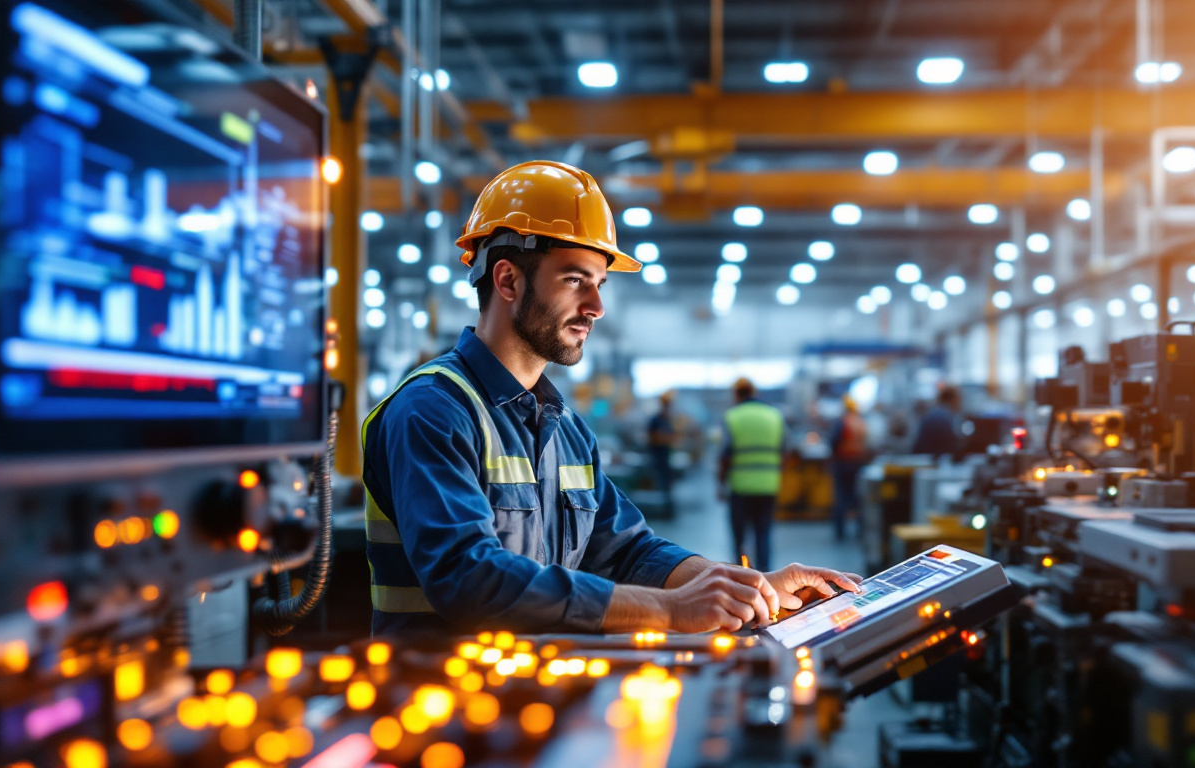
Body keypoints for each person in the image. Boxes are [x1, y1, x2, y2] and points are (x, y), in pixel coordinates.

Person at [362, 160, 859, 637]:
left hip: (536, 697)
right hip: (438, 703)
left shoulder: (566, 430)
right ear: (508, 280)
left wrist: (744, 587)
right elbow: (470, 579)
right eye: (575, 280)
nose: (597, 307)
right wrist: (668, 610)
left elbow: (629, 551)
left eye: (599, 284)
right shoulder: (433, 410)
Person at [718, 378, 787, 572]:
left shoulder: (732, 416)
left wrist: (721, 484)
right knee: (763, 533)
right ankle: (766, 576)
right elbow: (785, 450)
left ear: (737, 394)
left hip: (740, 486)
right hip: (768, 485)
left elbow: (725, 455)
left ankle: (741, 576)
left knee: (740, 537)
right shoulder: (774, 415)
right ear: (754, 392)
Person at [829, 394, 870, 540]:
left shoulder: (842, 422)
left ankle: (840, 532)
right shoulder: (861, 422)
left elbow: (834, 441)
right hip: (858, 463)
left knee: (841, 498)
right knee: (858, 498)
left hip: (842, 463)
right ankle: (860, 531)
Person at [646, 391, 677, 516]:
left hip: (666, 457)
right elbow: (652, 438)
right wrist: (664, 439)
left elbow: (674, 437)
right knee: (658, 483)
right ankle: (659, 510)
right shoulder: (656, 420)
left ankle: (667, 508)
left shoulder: (668, 420)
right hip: (657, 457)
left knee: (667, 484)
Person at [912, 385, 962, 458]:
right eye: (959, 400)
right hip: (928, 460)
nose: (960, 404)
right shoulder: (943, 416)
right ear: (953, 399)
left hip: (923, 457)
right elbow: (950, 445)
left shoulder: (935, 412)